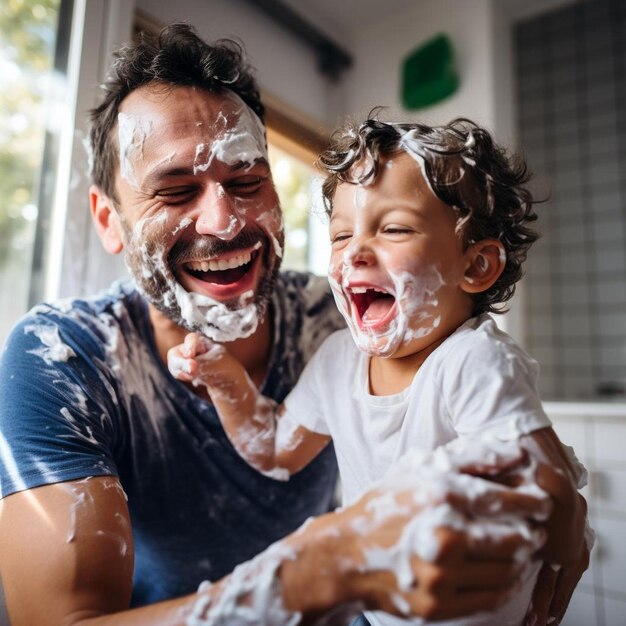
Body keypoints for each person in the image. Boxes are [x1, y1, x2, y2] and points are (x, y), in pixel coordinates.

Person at [0, 23, 588, 626]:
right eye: (175, 192)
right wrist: (317, 570)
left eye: (248, 182)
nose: (225, 223)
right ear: (109, 219)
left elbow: (534, 474)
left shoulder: (345, 319)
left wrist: (558, 504)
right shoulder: (62, 359)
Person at [168, 116, 593, 626]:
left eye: (393, 229)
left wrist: (563, 533)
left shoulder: (472, 362)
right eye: (341, 235)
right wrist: (226, 380)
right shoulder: (336, 361)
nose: (356, 253)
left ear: (476, 266)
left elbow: (550, 481)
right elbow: (275, 449)